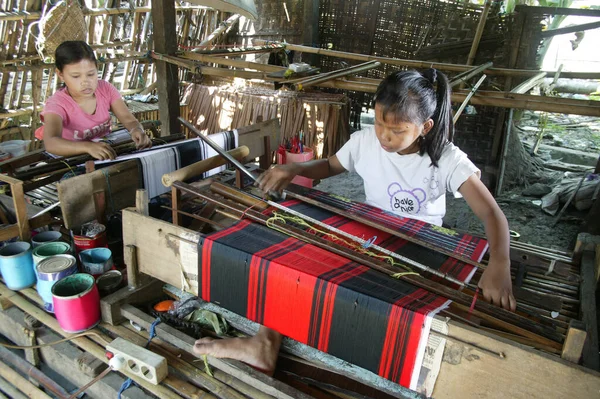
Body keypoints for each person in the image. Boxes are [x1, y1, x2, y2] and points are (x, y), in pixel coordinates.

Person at [193, 69, 516, 373]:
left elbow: (491, 213)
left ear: (426, 127)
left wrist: (499, 265)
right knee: (299, 261)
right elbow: (332, 166)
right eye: (378, 123)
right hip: (368, 231)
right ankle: (264, 342)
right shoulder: (365, 142)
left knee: (388, 302)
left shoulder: (446, 158)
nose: (384, 137)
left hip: (421, 245)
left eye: (397, 130)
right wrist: (297, 169)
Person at [37, 41, 152, 160]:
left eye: (91, 74)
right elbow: (51, 142)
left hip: (102, 149)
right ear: (60, 74)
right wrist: (88, 147)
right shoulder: (57, 104)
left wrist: (136, 130)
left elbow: (129, 120)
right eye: (76, 76)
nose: (85, 82)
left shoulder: (105, 89)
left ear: (97, 69)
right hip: (72, 156)